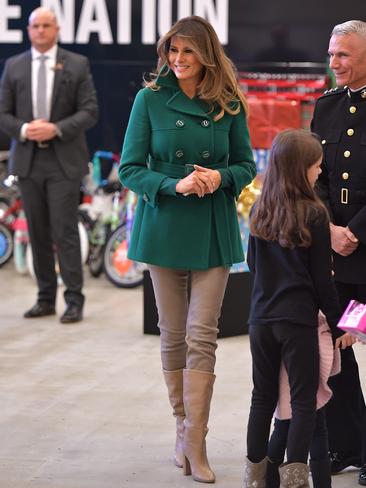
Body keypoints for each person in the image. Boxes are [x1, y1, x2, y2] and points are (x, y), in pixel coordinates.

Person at [118, 15, 256, 484]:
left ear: (206, 55)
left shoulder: (230, 102)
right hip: (164, 227)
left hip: (214, 228)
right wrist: (173, 184)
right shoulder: (149, 99)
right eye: (172, 51)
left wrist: (221, 177)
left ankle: (196, 442)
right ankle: (181, 428)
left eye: (188, 52)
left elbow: (246, 164)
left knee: (203, 334)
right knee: (173, 333)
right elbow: (130, 169)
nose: (178, 60)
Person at [243, 129, 353, 488]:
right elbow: (323, 283)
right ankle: (293, 480)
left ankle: (255, 476)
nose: (321, 173)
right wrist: (339, 327)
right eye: (317, 166)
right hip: (297, 322)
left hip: (260, 320)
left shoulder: (260, 210)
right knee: (304, 403)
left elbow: (253, 264)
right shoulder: (315, 214)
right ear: (300, 168)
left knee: (262, 399)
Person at [0, 7, 98, 323]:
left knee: (64, 230)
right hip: (28, 161)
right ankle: (45, 299)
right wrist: (26, 130)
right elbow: (3, 114)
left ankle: (74, 300)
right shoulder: (14, 66)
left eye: (46, 25)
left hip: (63, 161)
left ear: (56, 29)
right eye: (35, 26)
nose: (40, 31)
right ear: (28, 31)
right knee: (37, 232)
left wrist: (56, 128)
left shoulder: (77, 64)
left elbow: (89, 111)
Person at [310, 19, 366, 485]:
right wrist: (329, 229)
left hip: (365, 252)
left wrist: (356, 231)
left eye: (343, 55)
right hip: (341, 260)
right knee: (341, 352)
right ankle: (351, 447)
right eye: (331, 54)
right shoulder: (325, 107)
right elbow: (319, 177)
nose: (334, 63)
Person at [265, 313, 342, 488]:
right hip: (305, 344)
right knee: (314, 429)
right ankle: (321, 484)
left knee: (283, 426)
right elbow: (328, 304)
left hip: (279, 339)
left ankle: (268, 482)